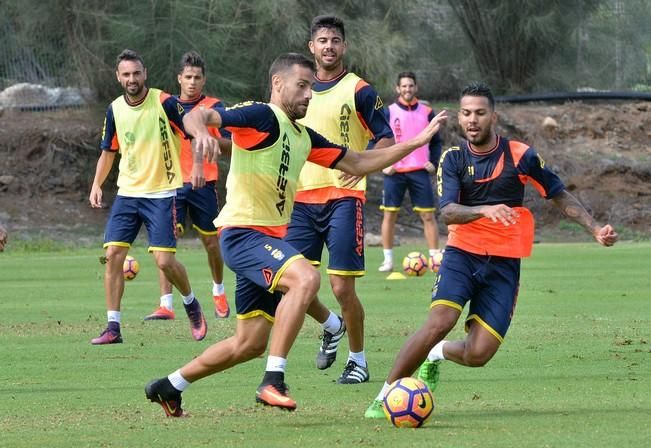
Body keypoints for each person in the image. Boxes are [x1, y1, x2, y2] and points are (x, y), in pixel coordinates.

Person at [144, 53, 447, 416]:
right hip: (243, 235)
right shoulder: (261, 116)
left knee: (249, 343)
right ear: (277, 84)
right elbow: (198, 114)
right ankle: (273, 380)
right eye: (302, 86)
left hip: (268, 242)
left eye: (312, 89)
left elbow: (358, 162)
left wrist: (415, 143)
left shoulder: (302, 135)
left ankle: (170, 385)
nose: (309, 94)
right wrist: (198, 135)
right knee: (305, 277)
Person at [364, 82, 618, 418]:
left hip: (503, 264)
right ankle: (385, 397)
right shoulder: (453, 159)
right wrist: (485, 210)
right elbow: (448, 211)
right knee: (441, 319)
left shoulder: (520, 156)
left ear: (493, 117)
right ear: (459, 116)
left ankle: (436, 354)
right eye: (466, 113)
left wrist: (595, 229)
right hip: (462, 255)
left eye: (480, 113)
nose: (472, 120)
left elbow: (558, 193)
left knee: (478, 354)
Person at [284, 14, 395, 385]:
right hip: (301, 200)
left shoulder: (360, 89)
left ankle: (359, 361)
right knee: (292, 282)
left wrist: (363, 167)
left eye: (335, 40)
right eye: (322, 41)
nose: (328, 46)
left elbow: (386, 139)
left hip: (345, 196)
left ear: (343, 47)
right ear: (311, 47)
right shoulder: (298, 89)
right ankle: (332, 326)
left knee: (342, 287)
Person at [89, 49, 208, 345]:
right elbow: (108, 151)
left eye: (136, 73)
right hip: (128, 193)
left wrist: (195, 165)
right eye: (126, 74)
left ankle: (191, 303)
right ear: (118, 77)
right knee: (114, 255)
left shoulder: (164, 102)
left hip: (161, 194)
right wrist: (96, 184)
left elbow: (192, 129)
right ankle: (113, 327)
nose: (132, 79)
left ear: (145, 74)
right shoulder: (114, 109)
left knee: (165, 262)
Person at [144, 51, 231, 321]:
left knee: (210, 242)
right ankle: (166, 304)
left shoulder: (215, 106)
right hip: (170, 184)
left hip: (204, 182)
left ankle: (218, 291)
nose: (192, 82)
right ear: (179, 78)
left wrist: (215, 144)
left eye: (197, 77)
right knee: (165, 245)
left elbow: (232, 145)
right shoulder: (167, 107)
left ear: (204, 80)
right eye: (188, 77)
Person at [378, 71, 442, 272]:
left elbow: (437, 141)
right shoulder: (388, 112)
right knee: (389, 215)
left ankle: (434, 259)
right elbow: (378, 138)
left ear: (416, 88)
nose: (407, 89)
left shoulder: (427, 112)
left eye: (410, 86)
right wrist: (383, 163)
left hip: (419, 171)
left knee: (428, 216)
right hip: (394, 172)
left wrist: (434, 162)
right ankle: (388, 260)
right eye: (403, 86)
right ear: (398, 88)